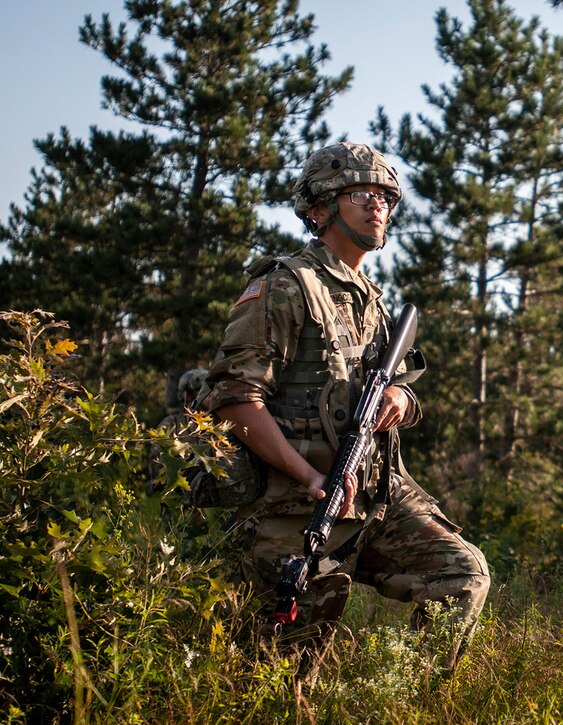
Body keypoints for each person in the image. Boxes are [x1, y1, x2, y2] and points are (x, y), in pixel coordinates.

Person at [201, 141, 489, 667]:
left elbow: (395, 379)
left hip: (373, 495)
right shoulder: (286, 286)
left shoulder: (369, 297)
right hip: (299, 503)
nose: (378, 204)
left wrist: (401, 395)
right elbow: (235, 402)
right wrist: (308, 476)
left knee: (460, 574)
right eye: (360, 193)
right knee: (281, 668)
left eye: (385, 196)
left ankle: (400, 698)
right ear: (320, 208)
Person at [147, 367, 209, 494]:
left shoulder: (220, 420)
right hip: (180, 492)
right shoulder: (171, 424)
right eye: (194, 393)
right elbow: (157, 463)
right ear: (186, 396)